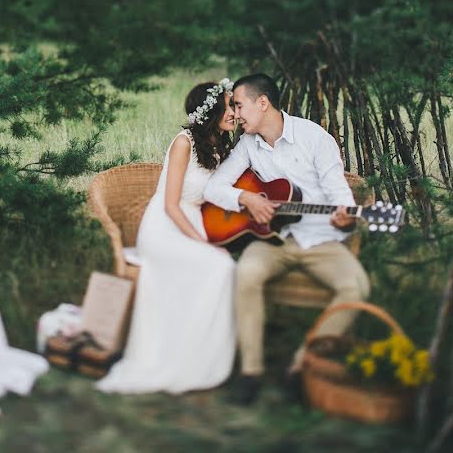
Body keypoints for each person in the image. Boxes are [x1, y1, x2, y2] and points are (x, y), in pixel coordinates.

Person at [203, 73, 370, 405]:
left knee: (357, 287)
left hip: (321, 241)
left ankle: (302, 366)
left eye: (239, 104)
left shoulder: (314, 138)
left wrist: (345, 217)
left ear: (262, 103)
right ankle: (251, 373)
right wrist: (246, 199)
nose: (235, 113)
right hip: (274, 241)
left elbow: (340, 194)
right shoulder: (248, 145)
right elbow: (213, 188)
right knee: (246, 274)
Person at [96, 80, 237, 394]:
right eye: (228, 106)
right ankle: (180, 358)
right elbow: (171, 204)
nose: (233, 112)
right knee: (219, 266)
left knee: (219, 266)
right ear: (211, 110)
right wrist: (202, 244)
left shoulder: (220, 144)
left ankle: (198, 353)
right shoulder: (184, 143)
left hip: (195, 224)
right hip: (165, 227)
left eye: (234, 106)